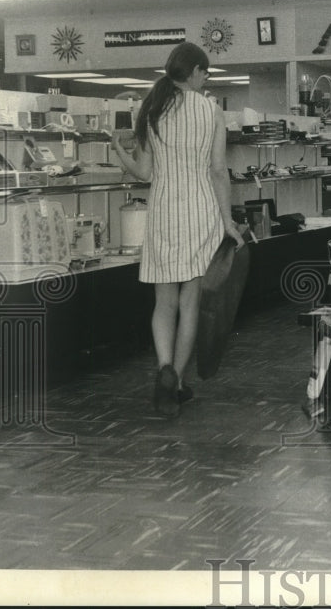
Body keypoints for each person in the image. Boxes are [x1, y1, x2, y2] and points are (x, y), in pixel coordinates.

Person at [112, 42, 244, 415]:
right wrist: (228, 221)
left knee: (163, 302)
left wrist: (118, 151)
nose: (206, 79)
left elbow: (144, 173)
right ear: (197, 72)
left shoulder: (152, 107)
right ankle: (179, 381)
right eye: (206, 72)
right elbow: (218, 170)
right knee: (190, 304)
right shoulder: (211, 110)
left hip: (164, 208)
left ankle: (164, 369)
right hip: (201, 209)